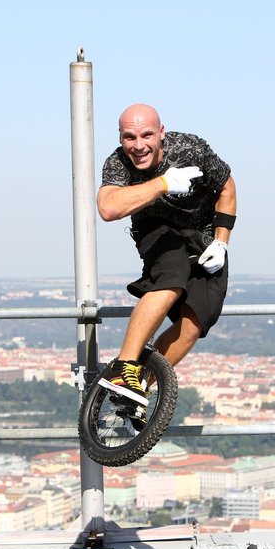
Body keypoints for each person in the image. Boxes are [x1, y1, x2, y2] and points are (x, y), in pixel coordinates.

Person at [97, 103, 237, 422]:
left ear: (161, 133)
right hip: (155, 228)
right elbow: (107, 208)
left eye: (146, 135)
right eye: (129, 137)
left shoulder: (191, 150)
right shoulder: (118, 162)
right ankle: (124, 368)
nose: (138, 145)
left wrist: (221, 240)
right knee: (172, 274)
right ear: (121, 139)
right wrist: (162, 184)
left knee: (197, 321)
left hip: (202, 232)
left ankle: (138, 390)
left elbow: (227, 186)